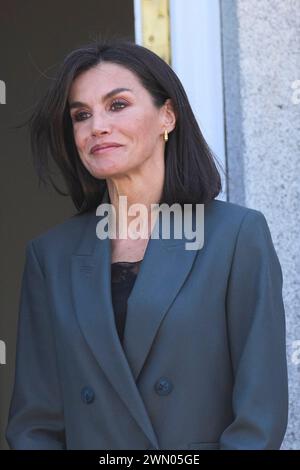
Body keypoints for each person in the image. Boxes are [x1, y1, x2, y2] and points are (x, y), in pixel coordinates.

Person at [6, 39, 288, 450]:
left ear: (167, 116)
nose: (96, 126)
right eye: (81, 115)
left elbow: (259, 417)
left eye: (117, 105)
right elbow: (35, 424)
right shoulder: (50, 256)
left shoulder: (236, 236)